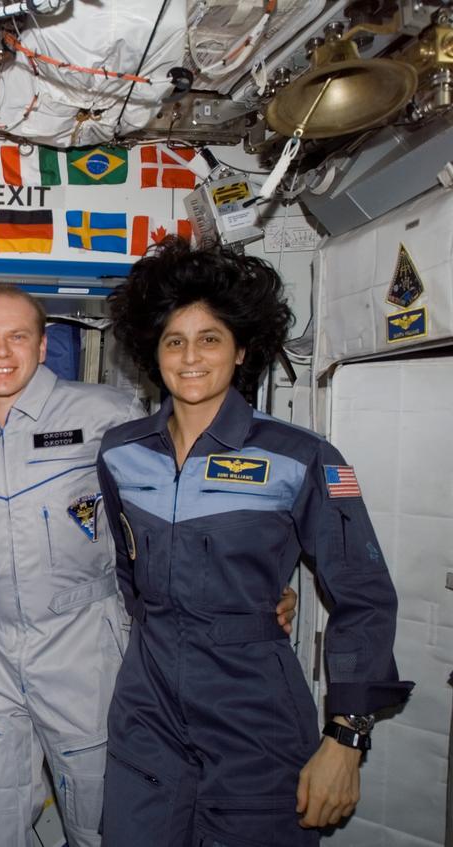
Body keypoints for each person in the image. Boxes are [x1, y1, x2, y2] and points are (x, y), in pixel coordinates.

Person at [0, 285, 297, 847]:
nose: (1, 352)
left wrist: (252, 588)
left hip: (85, 641)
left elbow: (183, 508)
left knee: (102, 816)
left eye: (17, 337)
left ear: (42, 344)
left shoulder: (107, 415)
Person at [96, 239, 413, 845]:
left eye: (209, 338)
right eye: (174, 340)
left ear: (241, 349)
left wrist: (345, 738)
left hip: (254, 708)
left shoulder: (300, 458)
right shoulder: (121, 453)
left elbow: (364, 597)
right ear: (153, 353)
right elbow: (129, 570)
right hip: (148, 702)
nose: (191, 356)